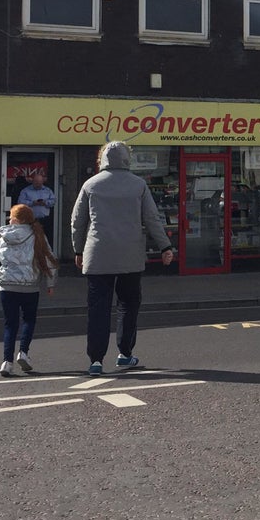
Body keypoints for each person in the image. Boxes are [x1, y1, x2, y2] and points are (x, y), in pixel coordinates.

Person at [71, 141, 174, 375]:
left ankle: (95, 360)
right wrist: (165, 246)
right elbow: (152, 218)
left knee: (98, 309)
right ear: (127, 158)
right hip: (130, 256)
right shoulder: (138, 185)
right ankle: (125, 354)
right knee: (128, 305)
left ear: (102, 158)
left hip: (98, 256)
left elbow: (77, 222)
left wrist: (78, 251)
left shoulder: (90, 184)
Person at [0, 203, 57, 377]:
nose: (9, 219)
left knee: (10, 324)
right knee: (28, 320)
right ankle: (24, 353)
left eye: (11, 216)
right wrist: (50, 284)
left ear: (17, 220)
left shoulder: (4, 237)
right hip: (30, 287)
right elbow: (50, 261)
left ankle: (7, 362)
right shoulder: (38, 236)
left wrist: (1, 274)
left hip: (7, 286)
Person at [17, 170, 56, 246]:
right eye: (36, 183)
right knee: (30, 241)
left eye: (39, 183)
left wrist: (45, 202)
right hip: (30, 220)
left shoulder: (48, 191)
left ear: (42, 182)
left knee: (45, 240)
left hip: (44, 220)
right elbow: (20, 202)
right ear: (33, 181)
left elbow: (53, 201)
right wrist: (32, 203)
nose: (38, 184)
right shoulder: (26, 191)